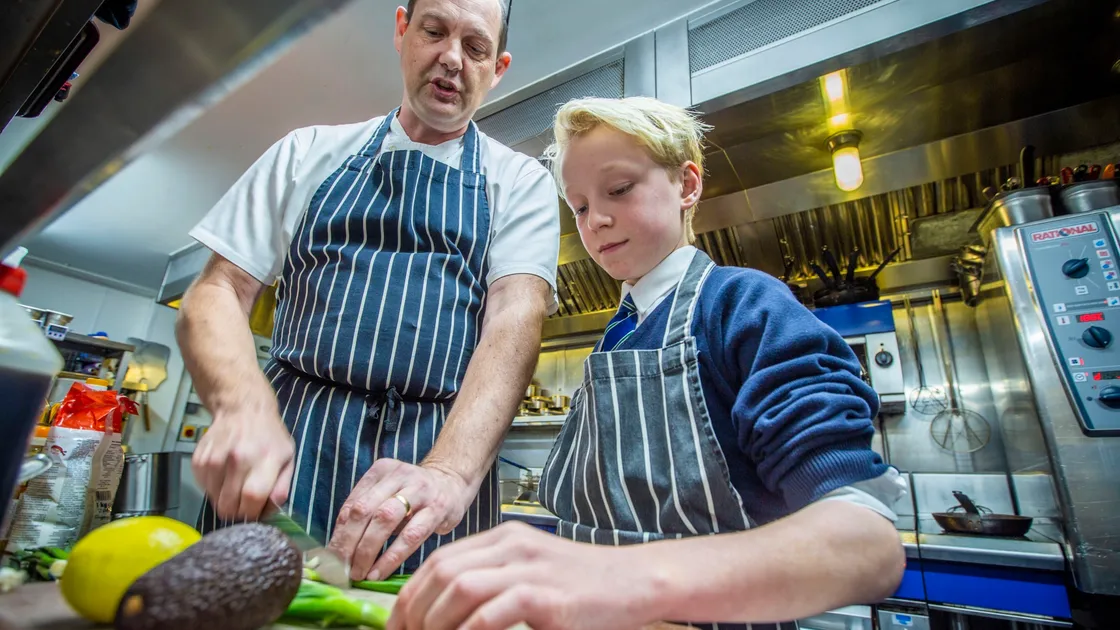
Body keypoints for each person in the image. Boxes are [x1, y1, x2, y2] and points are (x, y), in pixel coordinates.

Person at [388, 96, 908, 630]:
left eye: (618, 189)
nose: (597, 221)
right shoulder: (617, 338)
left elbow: (865, 542)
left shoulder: (743, 307)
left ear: (686, 185)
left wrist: (623, 579)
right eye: (581, 207)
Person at [176, 0, 560, 582]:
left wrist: (451, 474)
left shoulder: (519, 181)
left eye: (475, 47)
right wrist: (242, 406)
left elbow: (515, 316)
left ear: (497, 67)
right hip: (290, 456)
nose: (452, 59)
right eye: (434, 31)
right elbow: (216, 290)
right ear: (403, 31)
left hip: (428, 480)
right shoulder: (306, 152)